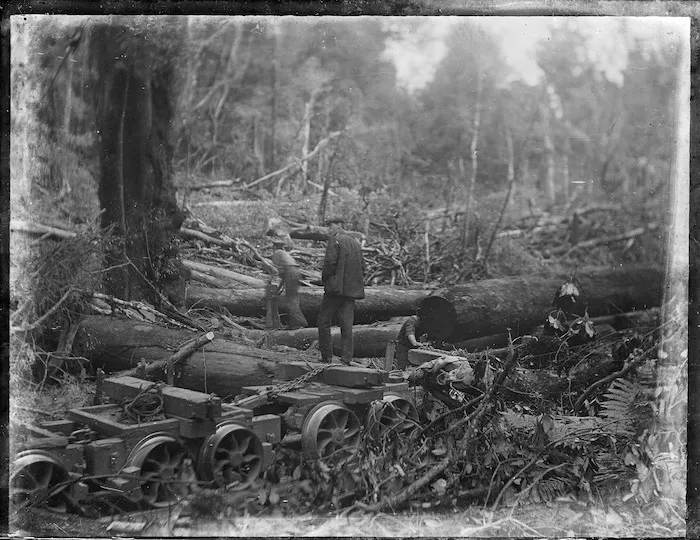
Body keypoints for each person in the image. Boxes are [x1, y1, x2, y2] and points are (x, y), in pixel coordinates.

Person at [318, 216, 365, 364]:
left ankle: (327, 357)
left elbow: (329, 264)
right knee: (346, 325)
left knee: (323, 322)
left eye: (330, 226)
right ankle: (346, 358)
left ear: (339, 225)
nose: (328, 229)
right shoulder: (355, 243)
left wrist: (326, 280)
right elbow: (362, 266)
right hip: (351, 292)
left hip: (335, 290)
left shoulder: (334, 241)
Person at [270, 238, 308, 330]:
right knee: (293, 298)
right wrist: (279, 288)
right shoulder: (284, 254)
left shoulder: (276, 254)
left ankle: (299, 322)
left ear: (274, 246)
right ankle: (295, 322)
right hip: (295, 273)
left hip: (290, 274)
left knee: (290, 300)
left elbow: (279, 271)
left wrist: (276, 288)